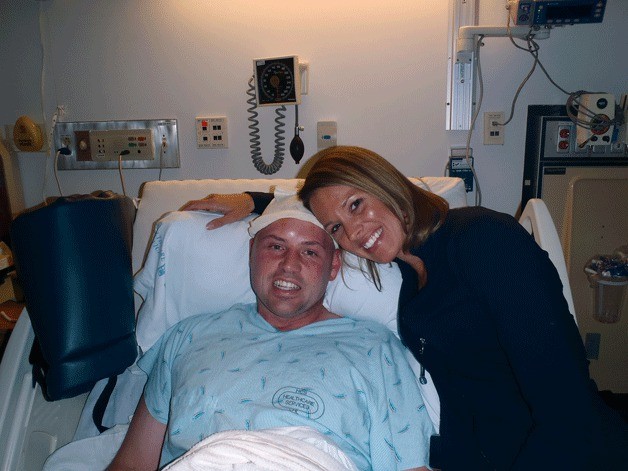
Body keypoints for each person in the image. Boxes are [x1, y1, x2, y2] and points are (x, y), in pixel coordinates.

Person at [182, 146, 628, 470]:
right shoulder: (413, 275)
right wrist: (253, 200)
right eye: (337, 226)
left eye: (357, 204)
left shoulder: (483, 241)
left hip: (567, 452)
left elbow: (566, 406)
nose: (355, 231)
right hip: (488, 454)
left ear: (386, 183)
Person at [108, 188, 433, 471]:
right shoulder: (187, 337)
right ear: (251, 254)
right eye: (275, 247)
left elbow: (410, 465)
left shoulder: (376, 348)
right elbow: (134, 462)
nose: (289, 265)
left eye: (309, 252)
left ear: (333, 267)